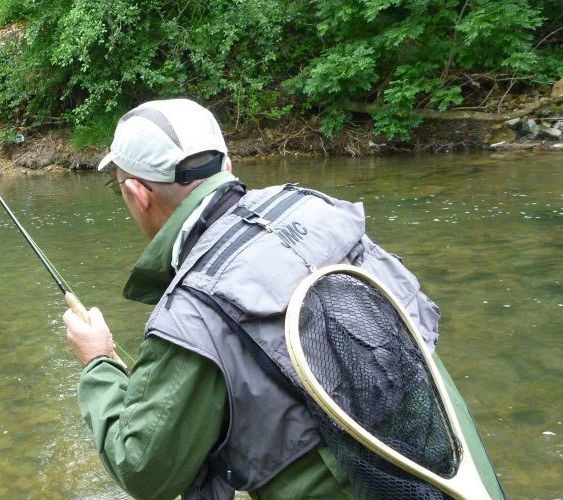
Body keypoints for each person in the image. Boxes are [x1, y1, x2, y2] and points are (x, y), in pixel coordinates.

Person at [62, 98, 503, 499]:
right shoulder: (318, 210)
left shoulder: (191, 312)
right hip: (468, 476)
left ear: (138, 194)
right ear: (226, 164)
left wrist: (98, 362)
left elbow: (144, 470)